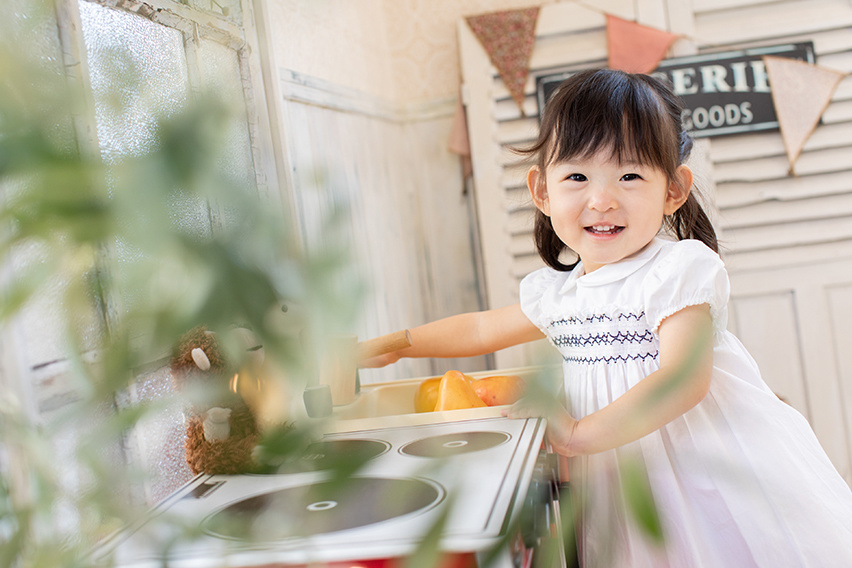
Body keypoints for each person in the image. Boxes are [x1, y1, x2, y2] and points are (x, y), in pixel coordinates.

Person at [364, 69, 852, 567]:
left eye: (630, 176)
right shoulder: (561, 295)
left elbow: (683, 379)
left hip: (700, 469)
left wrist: (578, 435)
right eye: (577, 176)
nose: (602, 199)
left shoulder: (677, 271)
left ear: (673, 190)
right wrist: (400, 342)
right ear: (542, 191)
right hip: (619, 472)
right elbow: (481, 328)